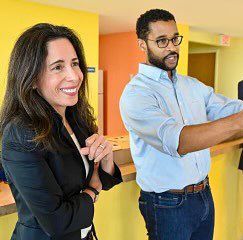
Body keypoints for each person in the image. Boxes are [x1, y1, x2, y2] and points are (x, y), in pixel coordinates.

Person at [120, 9, 243, 240]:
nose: (172, 47)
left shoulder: (192, 85)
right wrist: (238, 121)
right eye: (162, 41)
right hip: (167, 204)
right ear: (142, 44)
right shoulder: (136, 94)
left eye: (175, 39)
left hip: (204, 194)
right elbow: (179, 141)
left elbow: (228, 109)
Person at [0, 23, 122, 240]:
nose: (74, 76)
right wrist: (92, 191)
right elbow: (58, 221)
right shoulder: (21, 133)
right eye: (57, 67)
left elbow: (99, 179)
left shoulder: (76, 117)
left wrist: (106, 160)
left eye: (75, 64)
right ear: (32, 78)